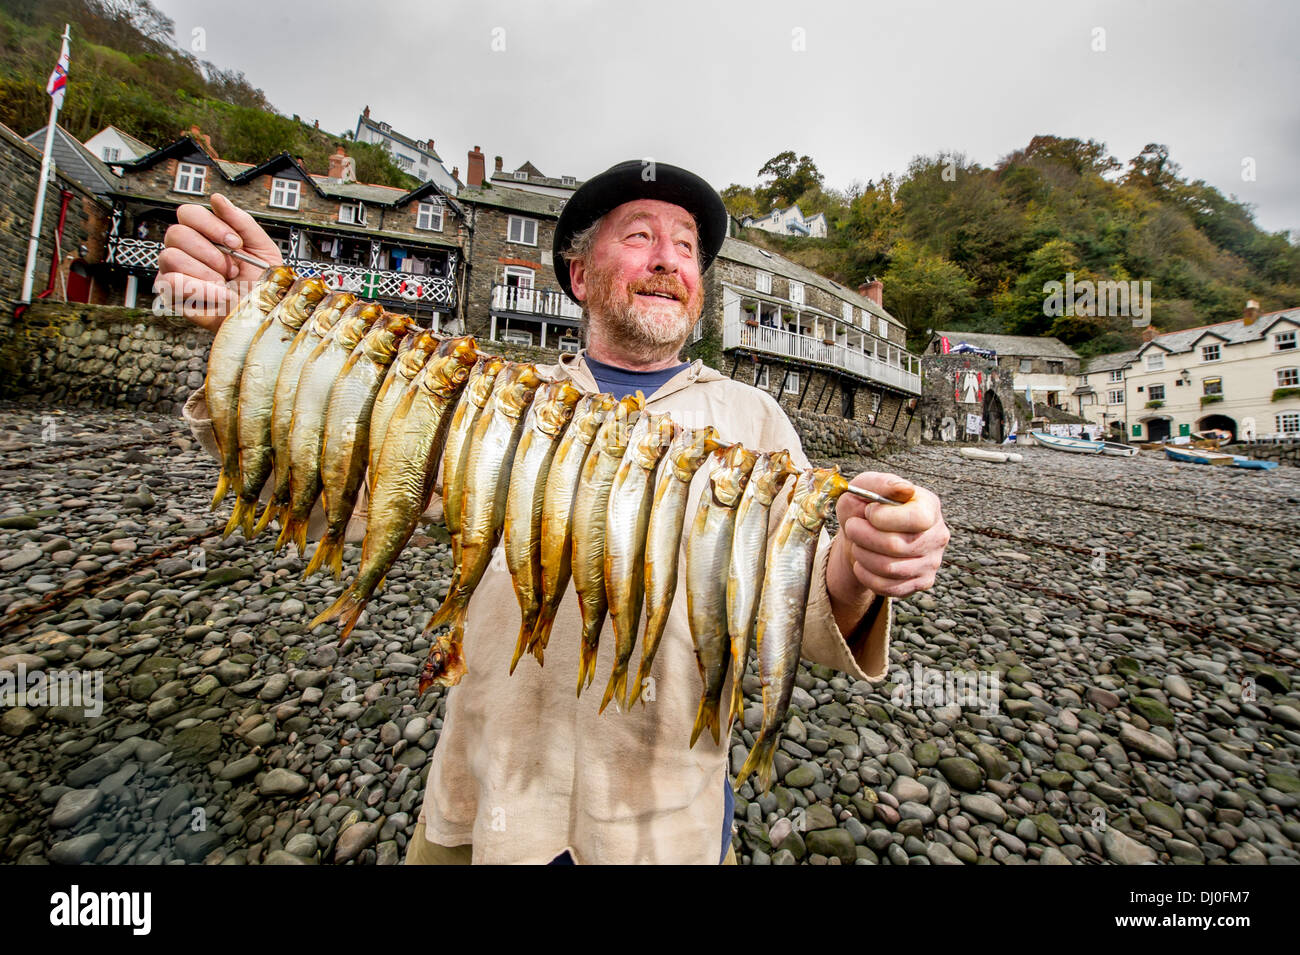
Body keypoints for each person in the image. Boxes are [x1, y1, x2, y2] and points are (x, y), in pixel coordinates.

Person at [156, 159, 950, 865]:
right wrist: (257, 335)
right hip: (483, 810)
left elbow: (802, 602)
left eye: (686, 246)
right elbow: (342, 491)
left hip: (661, 831)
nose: (668, 259)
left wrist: (866, 563)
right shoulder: (493, 398)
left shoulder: (757, 424)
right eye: (638, 236)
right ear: (577, 274)